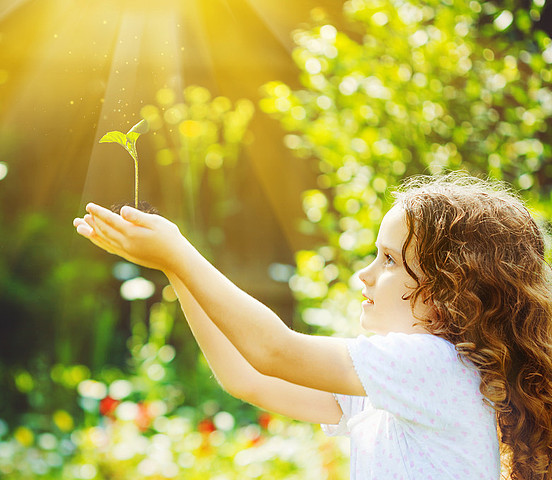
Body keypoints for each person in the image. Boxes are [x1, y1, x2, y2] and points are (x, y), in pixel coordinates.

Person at [73, 172, 552, 479]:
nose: (362, 274)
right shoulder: (397, 384)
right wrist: (173, 271)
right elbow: (249, 378)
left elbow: (275, 351)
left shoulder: (434, 366)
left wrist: (180, 252)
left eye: (388, 260)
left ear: (450, 290)